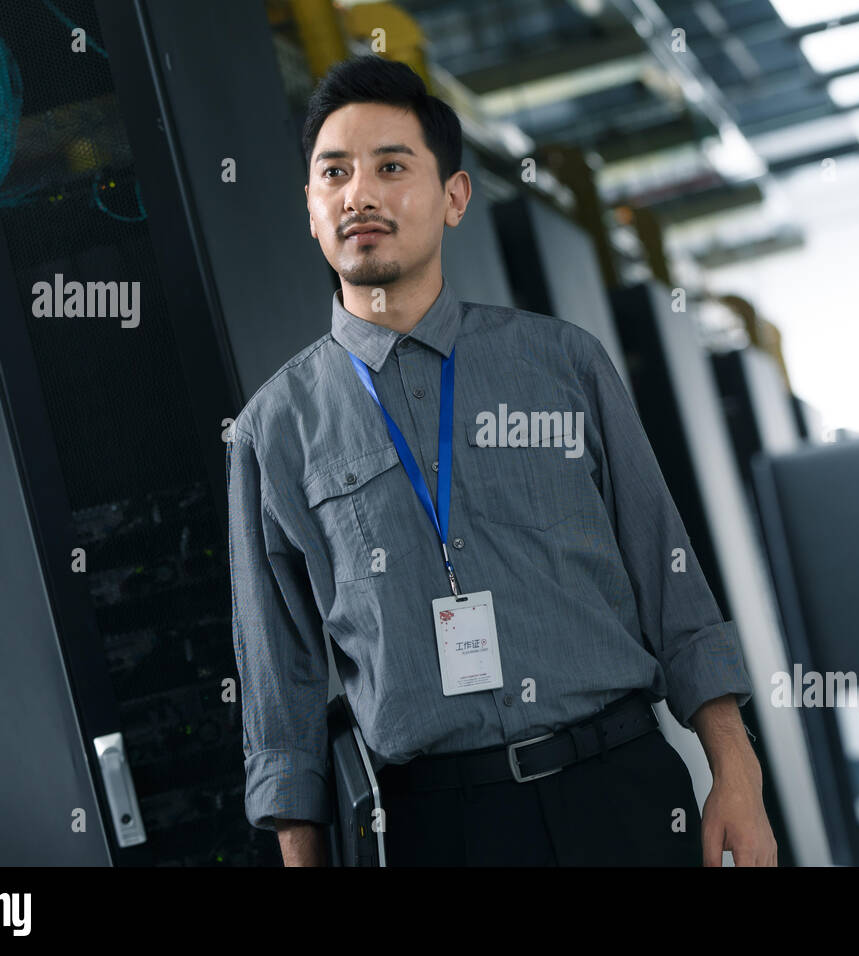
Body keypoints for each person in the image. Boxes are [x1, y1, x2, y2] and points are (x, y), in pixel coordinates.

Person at [226, 54, 777, 867]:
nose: (359, 194)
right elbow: (281, 697)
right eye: (333, 173)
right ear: (311, 209)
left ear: (453, 198)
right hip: (443, 830)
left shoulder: (563, 364)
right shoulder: (274, 429)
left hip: (620, 791)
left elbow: (672, 582)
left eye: (390, 166)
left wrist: (736, 771)